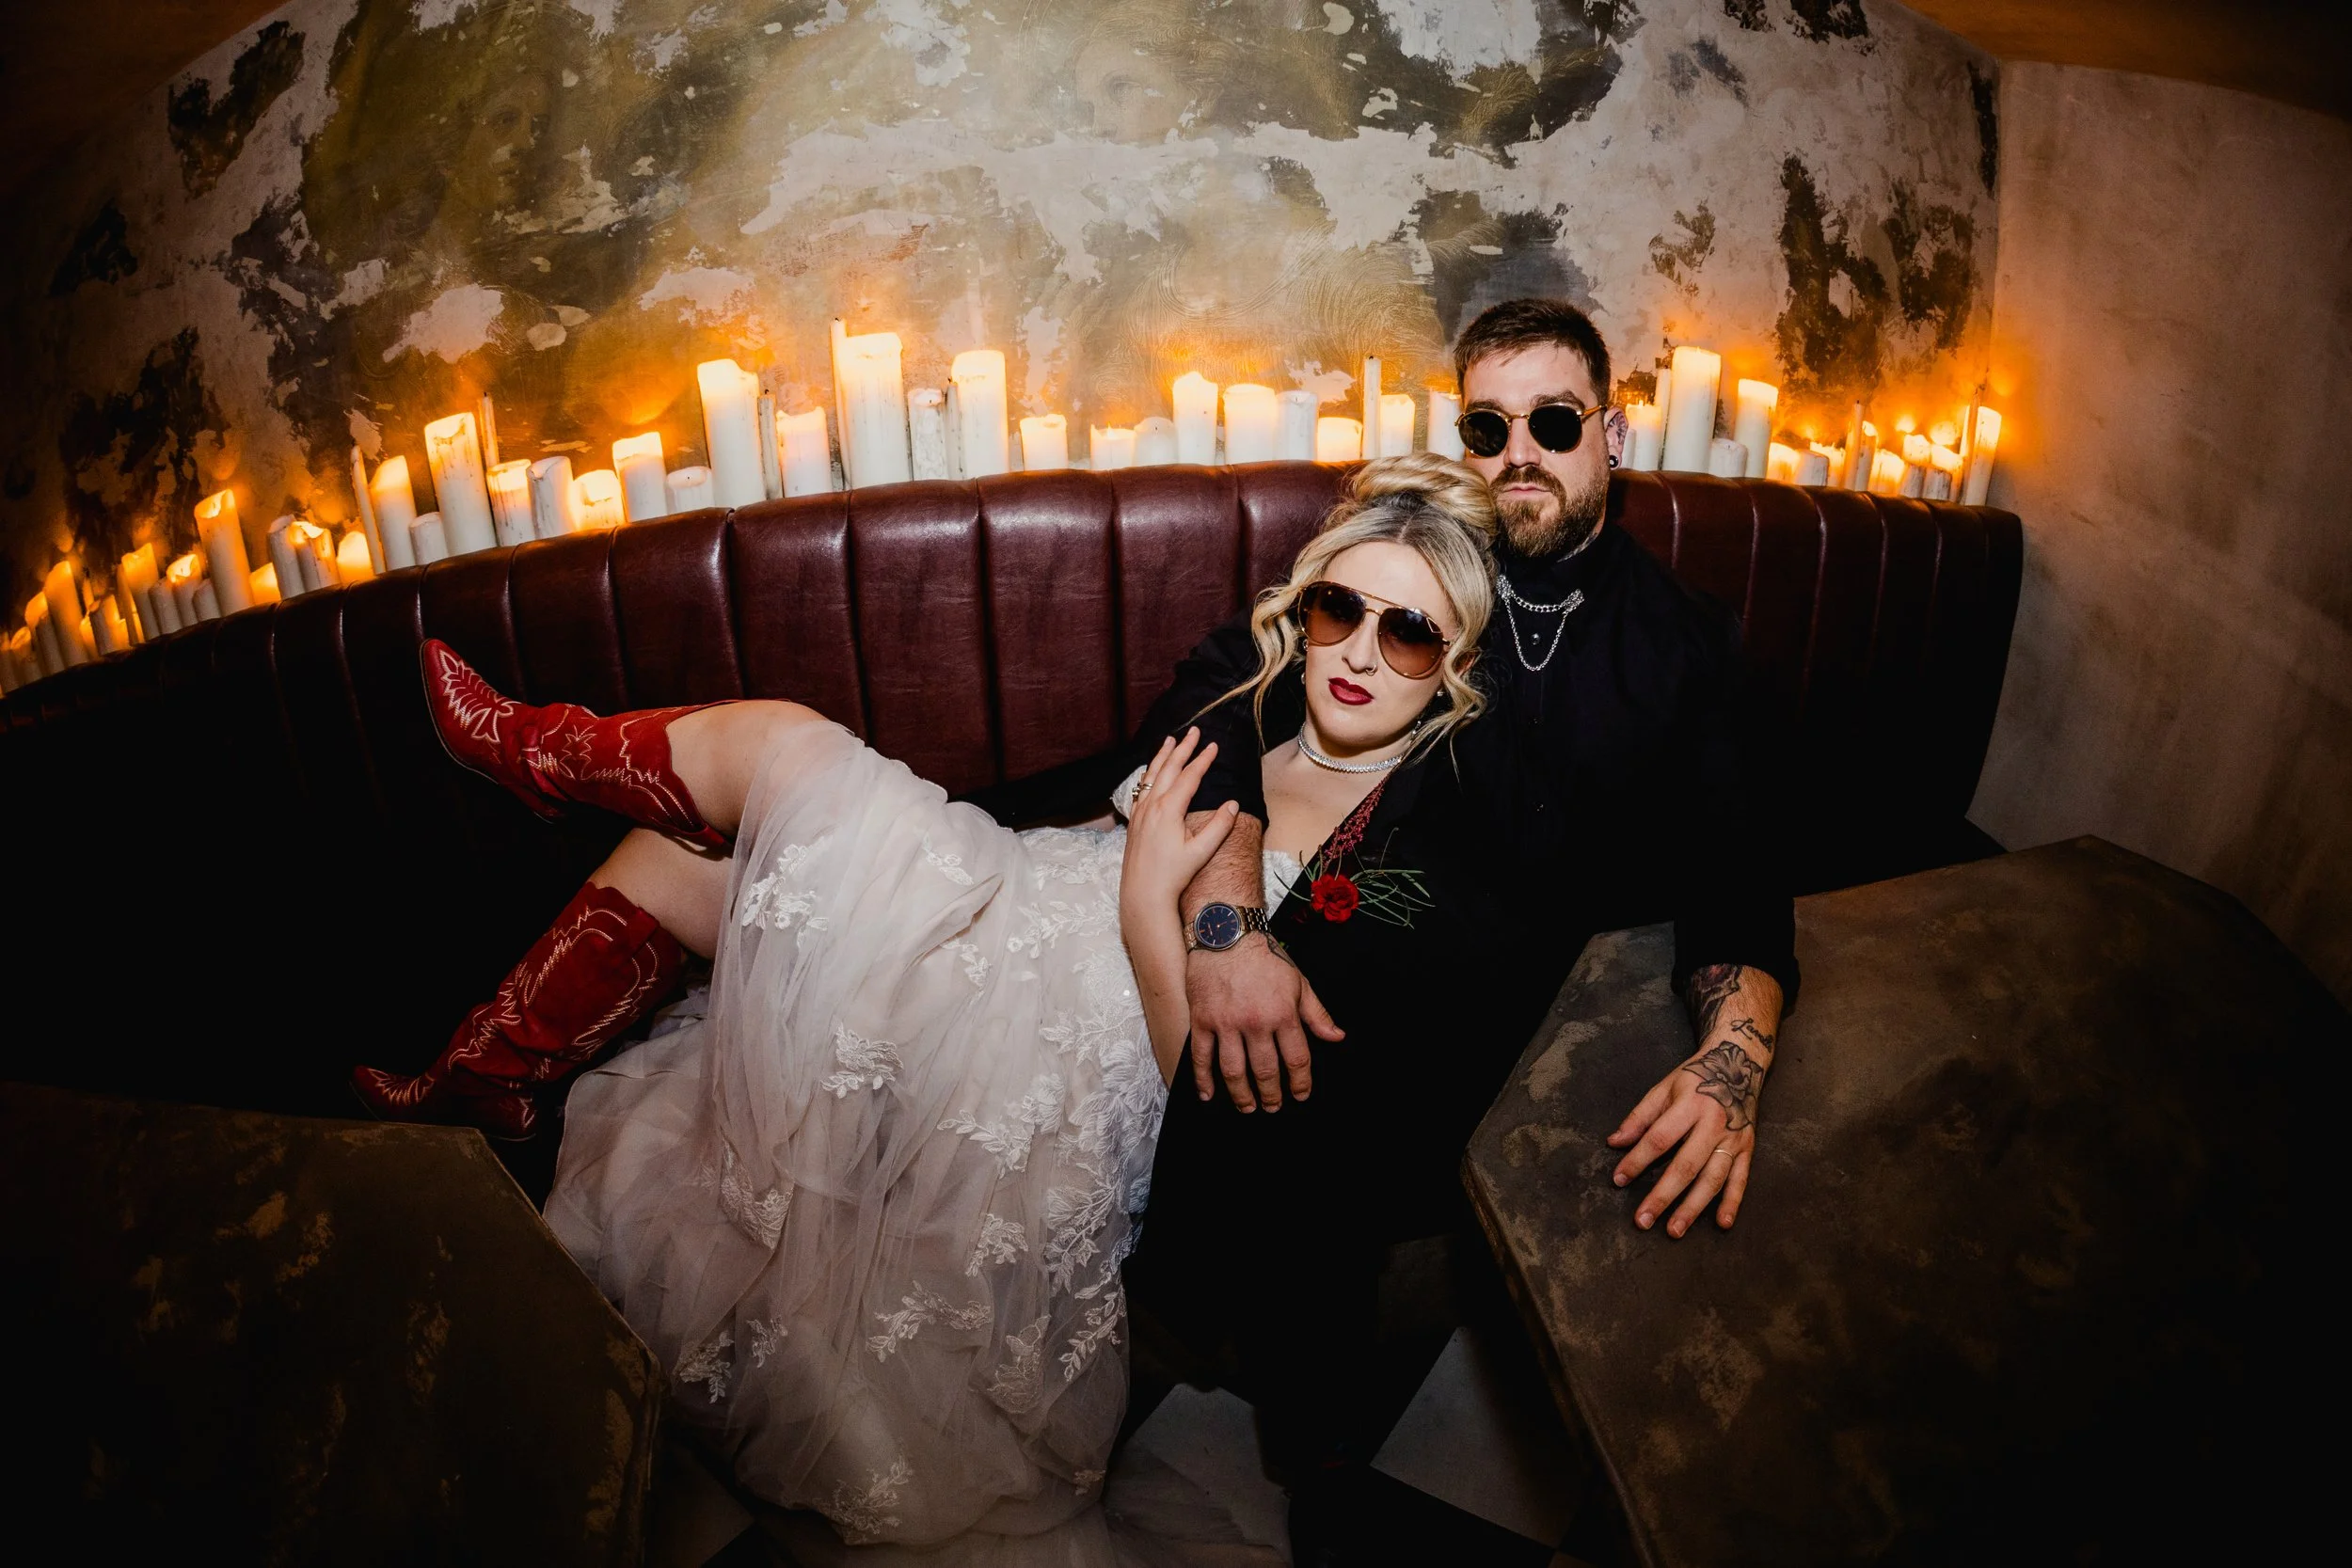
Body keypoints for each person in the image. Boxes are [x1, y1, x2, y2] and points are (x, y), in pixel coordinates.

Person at [348, 456, 1502, 1561]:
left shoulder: (1406, 837)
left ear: (1451, 668)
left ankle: (534, 756)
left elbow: (1215, 1101)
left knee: (790, 752)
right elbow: (1078, 830)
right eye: (1338, 608)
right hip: (1008, 912)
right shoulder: (1245, 713)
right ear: (1300, 612)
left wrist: (1155, 909)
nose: (1358, 651)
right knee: (703, 845)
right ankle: (489, 1077)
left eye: (1406, 633)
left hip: (1079, 1041)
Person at [1119, 298, 1798, 1529]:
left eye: (1553, 419)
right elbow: (1219, 683)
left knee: (1355, 1067)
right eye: (1489, 423)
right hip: (1339, 901)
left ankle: (1310, 1428)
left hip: (1496, 975)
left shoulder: (1683, 649)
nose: (1518, 452)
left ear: (1615, 435)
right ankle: (1268, 1388)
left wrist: (1729, 1068)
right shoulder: (1426, 559)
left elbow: (1740, 879)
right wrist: (1226, 921)